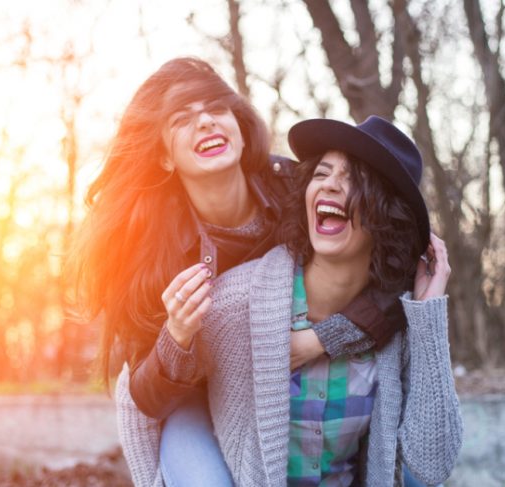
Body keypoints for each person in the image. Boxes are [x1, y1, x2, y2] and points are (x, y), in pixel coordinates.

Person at [70, 57, 403, 486]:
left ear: (240, 128)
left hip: (285, 385)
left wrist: (321, 338)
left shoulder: (295, 190)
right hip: (197, 402)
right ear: (165, 158)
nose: (205, 122)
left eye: (215, 108)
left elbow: (391, 276)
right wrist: (177, 336)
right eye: (182, 119)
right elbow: (145, 398)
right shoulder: (151, 250)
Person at [116, 115, 463, 486]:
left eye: (354, 179)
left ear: (387, 215)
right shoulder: (236, 303)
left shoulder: (400, 323)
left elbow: (432, 466)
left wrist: (428, 314)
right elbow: (135, 399)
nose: (330, 185)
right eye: (321, 174)